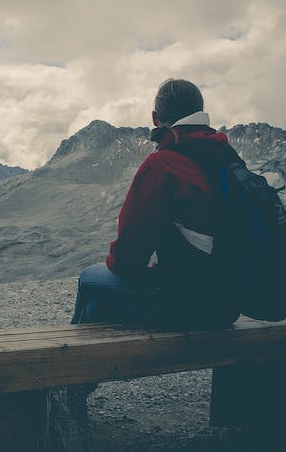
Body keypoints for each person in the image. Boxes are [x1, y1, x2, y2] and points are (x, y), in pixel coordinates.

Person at [71, 78, 240, 330]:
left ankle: (75, 361)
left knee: (89, 280)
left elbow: (128, 257)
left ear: (155, 118)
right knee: (98, 308)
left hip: (186, 304)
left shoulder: (163, 165)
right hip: (229, 304)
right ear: (201, 113)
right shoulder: (225, 157)